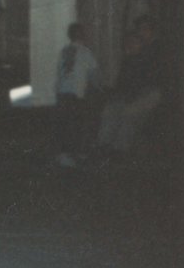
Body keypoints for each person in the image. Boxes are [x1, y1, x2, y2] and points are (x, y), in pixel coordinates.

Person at [97, 15, 162, 154]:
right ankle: (103, 145)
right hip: (133, 92)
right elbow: (123, 81)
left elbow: (149, 78)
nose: (141, 33)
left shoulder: (158, 49)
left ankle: (119, 148)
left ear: (152, 30)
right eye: (139, 29)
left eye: (145, 29)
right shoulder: (134, 54)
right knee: (110, 109)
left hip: (152, 91)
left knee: (130, 112)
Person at [53, 23, 101, 167]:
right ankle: (74, 153)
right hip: (76, 93)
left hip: (62, 92)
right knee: (77, 123)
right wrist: (99, 87)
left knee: (64, 123)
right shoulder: (86, 52)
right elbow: (94, 74)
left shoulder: (64, 51)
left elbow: (59, 73)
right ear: (82, 35)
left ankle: (63, 153)